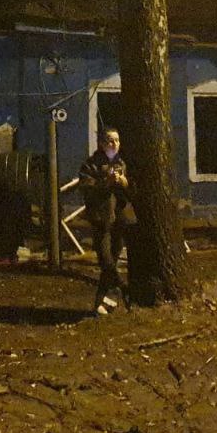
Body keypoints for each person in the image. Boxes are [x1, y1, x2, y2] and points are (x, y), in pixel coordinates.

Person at [78, 127, 131, 314]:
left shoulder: (121, 163)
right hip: (101, 220)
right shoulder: (91, 165)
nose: (114, 144)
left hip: (118, 220)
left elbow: (128, 193)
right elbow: (87, 189)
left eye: (117, 140)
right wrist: (105, 183)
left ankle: (100, 303)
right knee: (106, 262)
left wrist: (123, 182)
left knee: (112, 263)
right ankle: (125, 289)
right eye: (110, 140)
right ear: (101, 144)